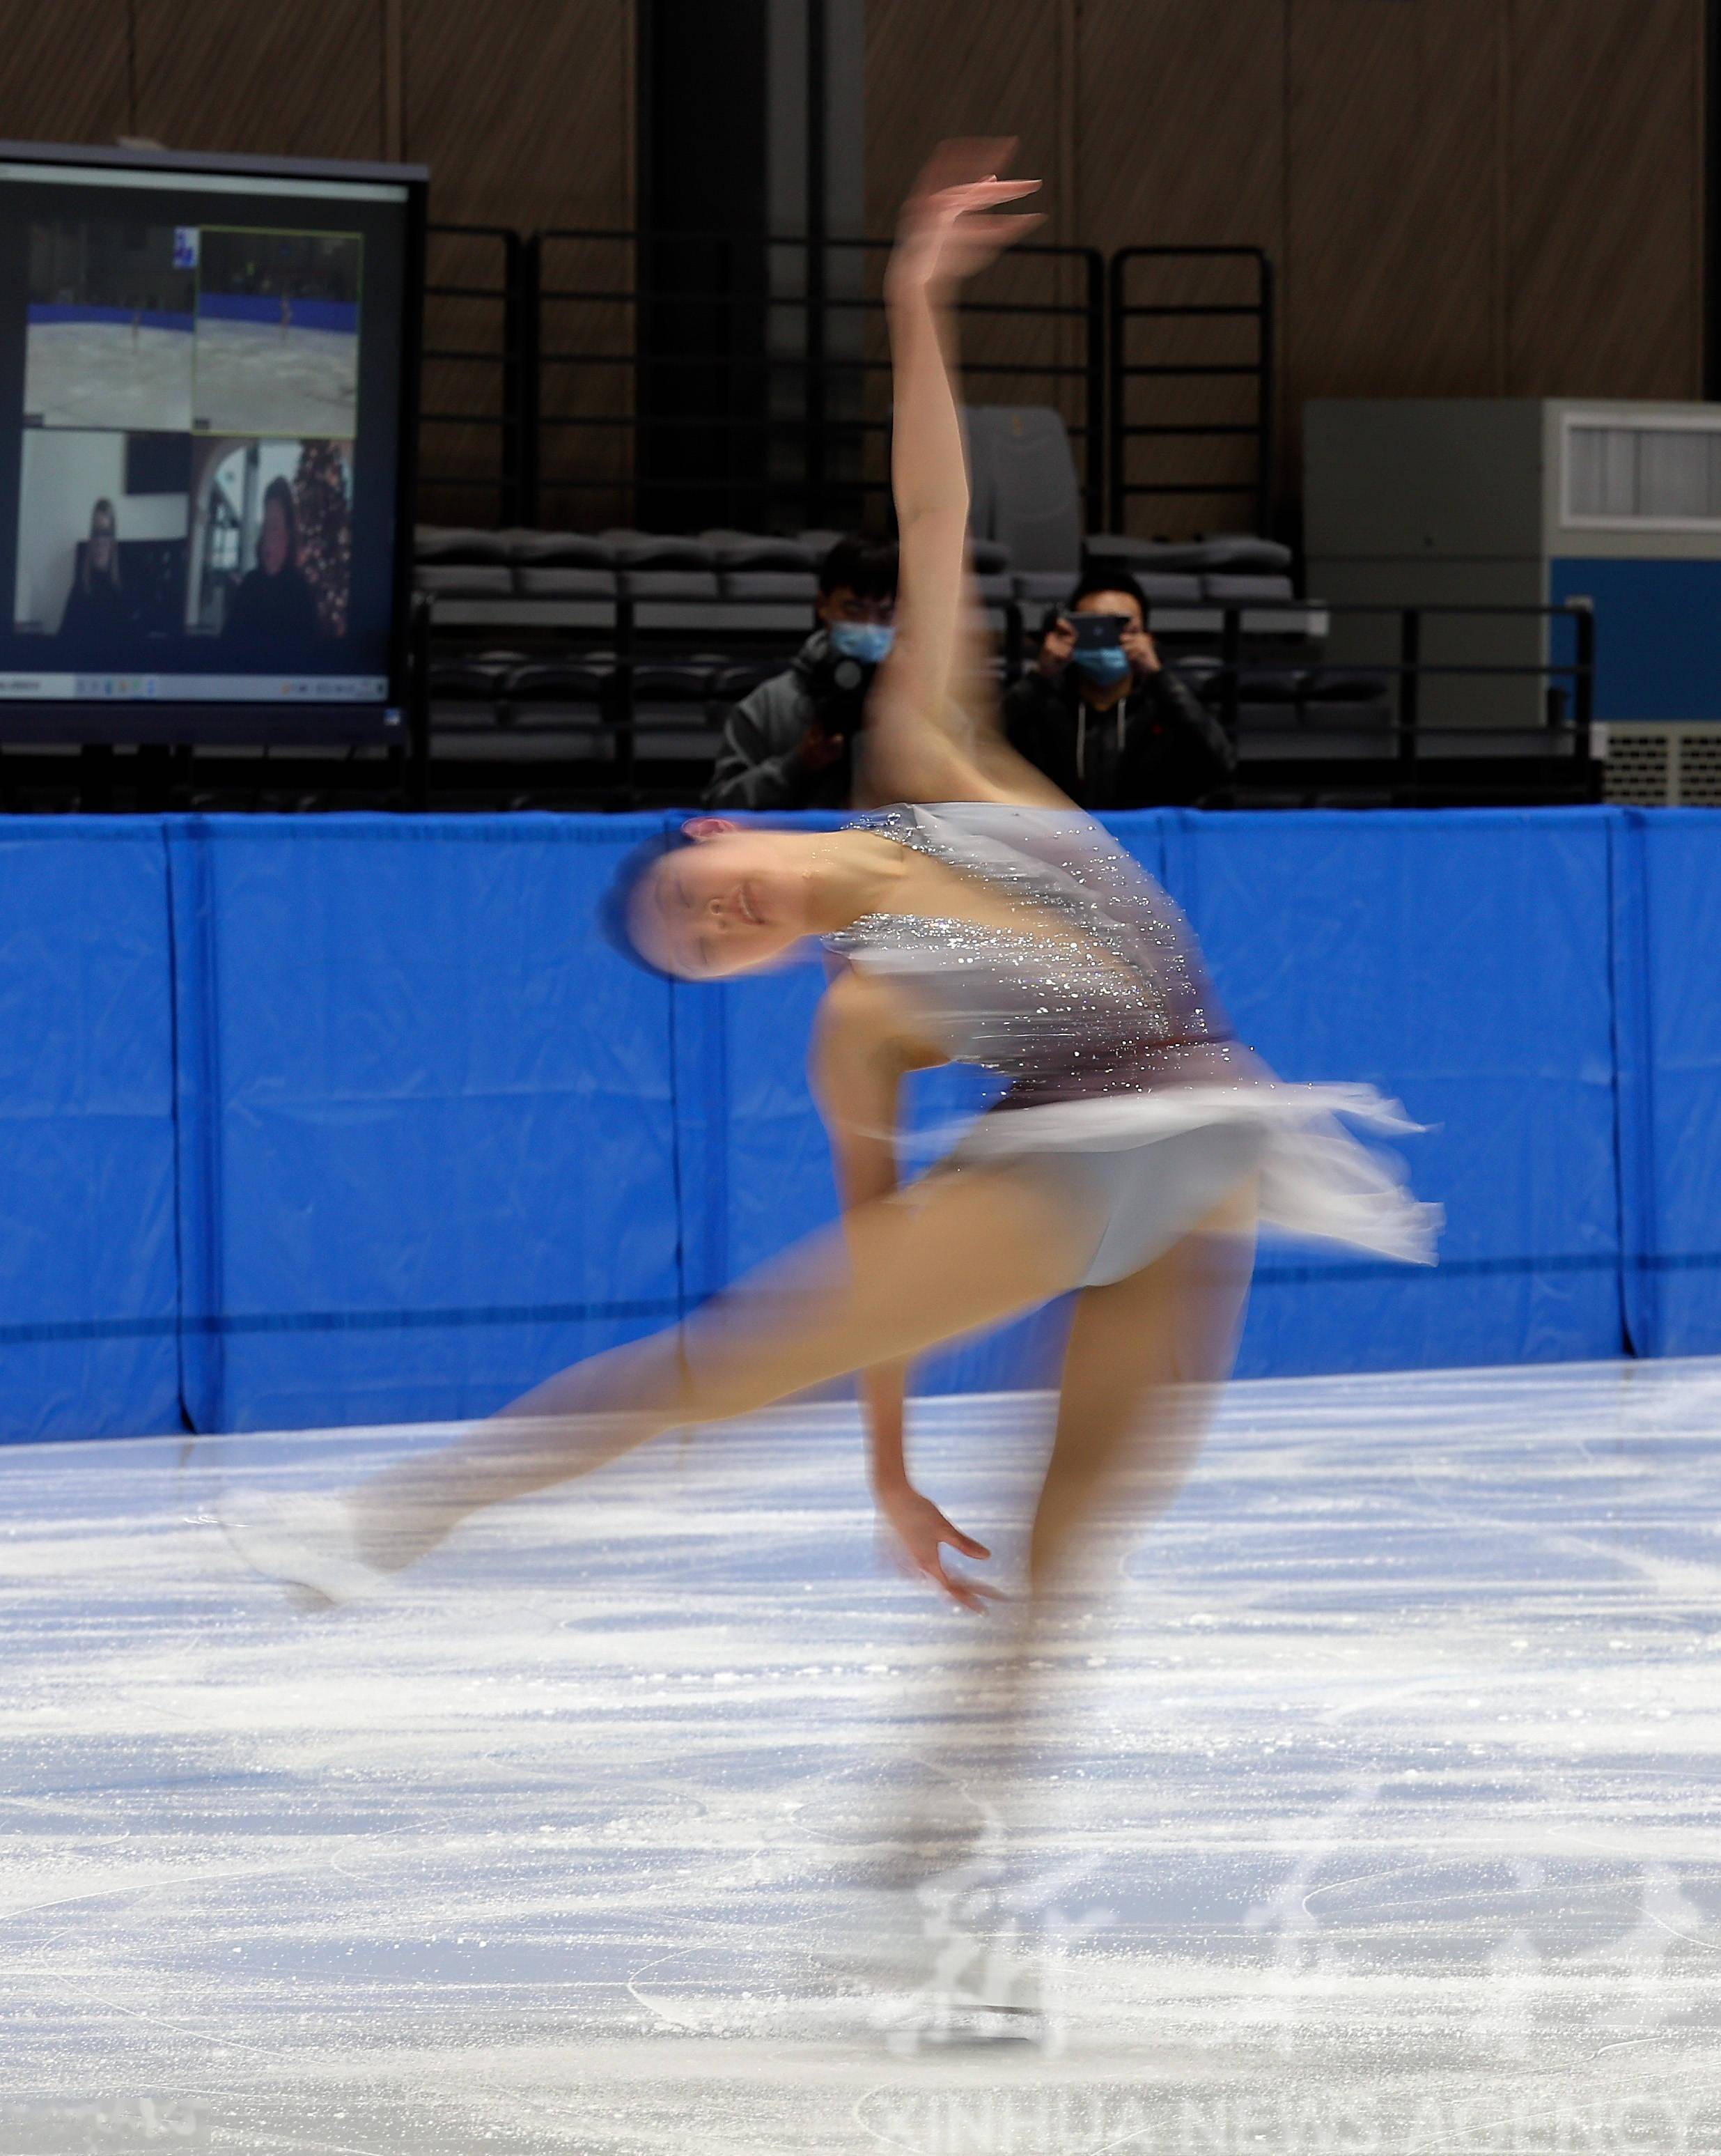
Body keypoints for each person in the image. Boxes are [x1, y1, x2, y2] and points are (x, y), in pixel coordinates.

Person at [224, 144, 1433, 2023]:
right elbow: (869, 1244)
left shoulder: (923, 745)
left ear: (723, 828)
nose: (731, 921)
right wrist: (880, 1453)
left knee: (1059, 1570)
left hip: (1201, 1140)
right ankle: (413, 1516)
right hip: (1066, 1155)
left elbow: (930, 508)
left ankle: (929, 1868)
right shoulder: (853, 1017)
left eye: (709, 896)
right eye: (715, 944)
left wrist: (913, 300)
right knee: (725, 1362)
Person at [1003, 566, 1236, 809]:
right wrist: (1039, 678)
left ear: (1148, 638)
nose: (1108, 641)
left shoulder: (1167, 708)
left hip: (1145, 841)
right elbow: (980, 751)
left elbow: (1222, 764)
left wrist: (1159, 676)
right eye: (1094, 627)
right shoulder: (1042, 707)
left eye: (1122, 629)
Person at [703, 535, 898, 811]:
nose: (869, 625)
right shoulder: (766, 708)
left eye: (885, 614)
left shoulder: (924, 712)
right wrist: (796, 765)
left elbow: (960, 816)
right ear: (823, 606)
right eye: (854, 609)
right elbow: (718, 809)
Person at [220, 476, 321, 653]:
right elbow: (226, 646)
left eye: (274, 527)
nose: (268, 538)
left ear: (288, 536)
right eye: (266, 526)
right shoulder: (250, 585)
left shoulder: (300, 591)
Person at [56, 498, 133, 659]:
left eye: (105, 534)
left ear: (113, 541)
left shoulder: (124, 588)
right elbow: (63, 643)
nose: (99, 541)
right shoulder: (81, 587)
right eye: (95, 533)